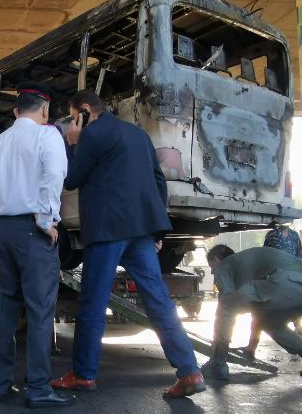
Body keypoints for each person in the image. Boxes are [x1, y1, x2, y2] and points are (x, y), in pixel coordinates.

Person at [52, 90, 203, 398]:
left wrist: (71, 144)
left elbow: (72, 178)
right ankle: (189, 371)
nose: (71, 122)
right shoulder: (138, 135)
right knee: (159, 302)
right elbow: (158, 182)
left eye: (72, 116)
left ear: (83, 112)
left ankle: (83, 374)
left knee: (93, 303)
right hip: (142, 233)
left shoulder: (92, 134)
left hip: (107, 231)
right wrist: (156, 231)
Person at [0, 81, 73, 408]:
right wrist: (47, 220)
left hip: (2, 234)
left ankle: (1, 385)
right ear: (45, 110)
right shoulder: (47, 135)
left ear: (17, 110)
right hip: (32, 231)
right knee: (39, 310)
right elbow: (54, 175)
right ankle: (37, 387)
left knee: (4, 311)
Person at [202, 245, 302, 381]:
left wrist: (220, 342)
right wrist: (251, 345)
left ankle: (217, 365)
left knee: (226, 306)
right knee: (270, 324)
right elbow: (256, 312)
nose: (212, 272)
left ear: (217, 259)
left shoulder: (225, 264)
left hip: (288, 284)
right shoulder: (249, 261)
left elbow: (226, 301)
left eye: (212, 267)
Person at [243, 224, 302, 357]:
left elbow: (299, 255)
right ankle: (251, 346)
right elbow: (265, 255)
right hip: (272, 279)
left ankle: (298, 338)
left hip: (290, 279)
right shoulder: (272, 235)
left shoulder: (294, 235)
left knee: (292, 311)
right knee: (259, 313)